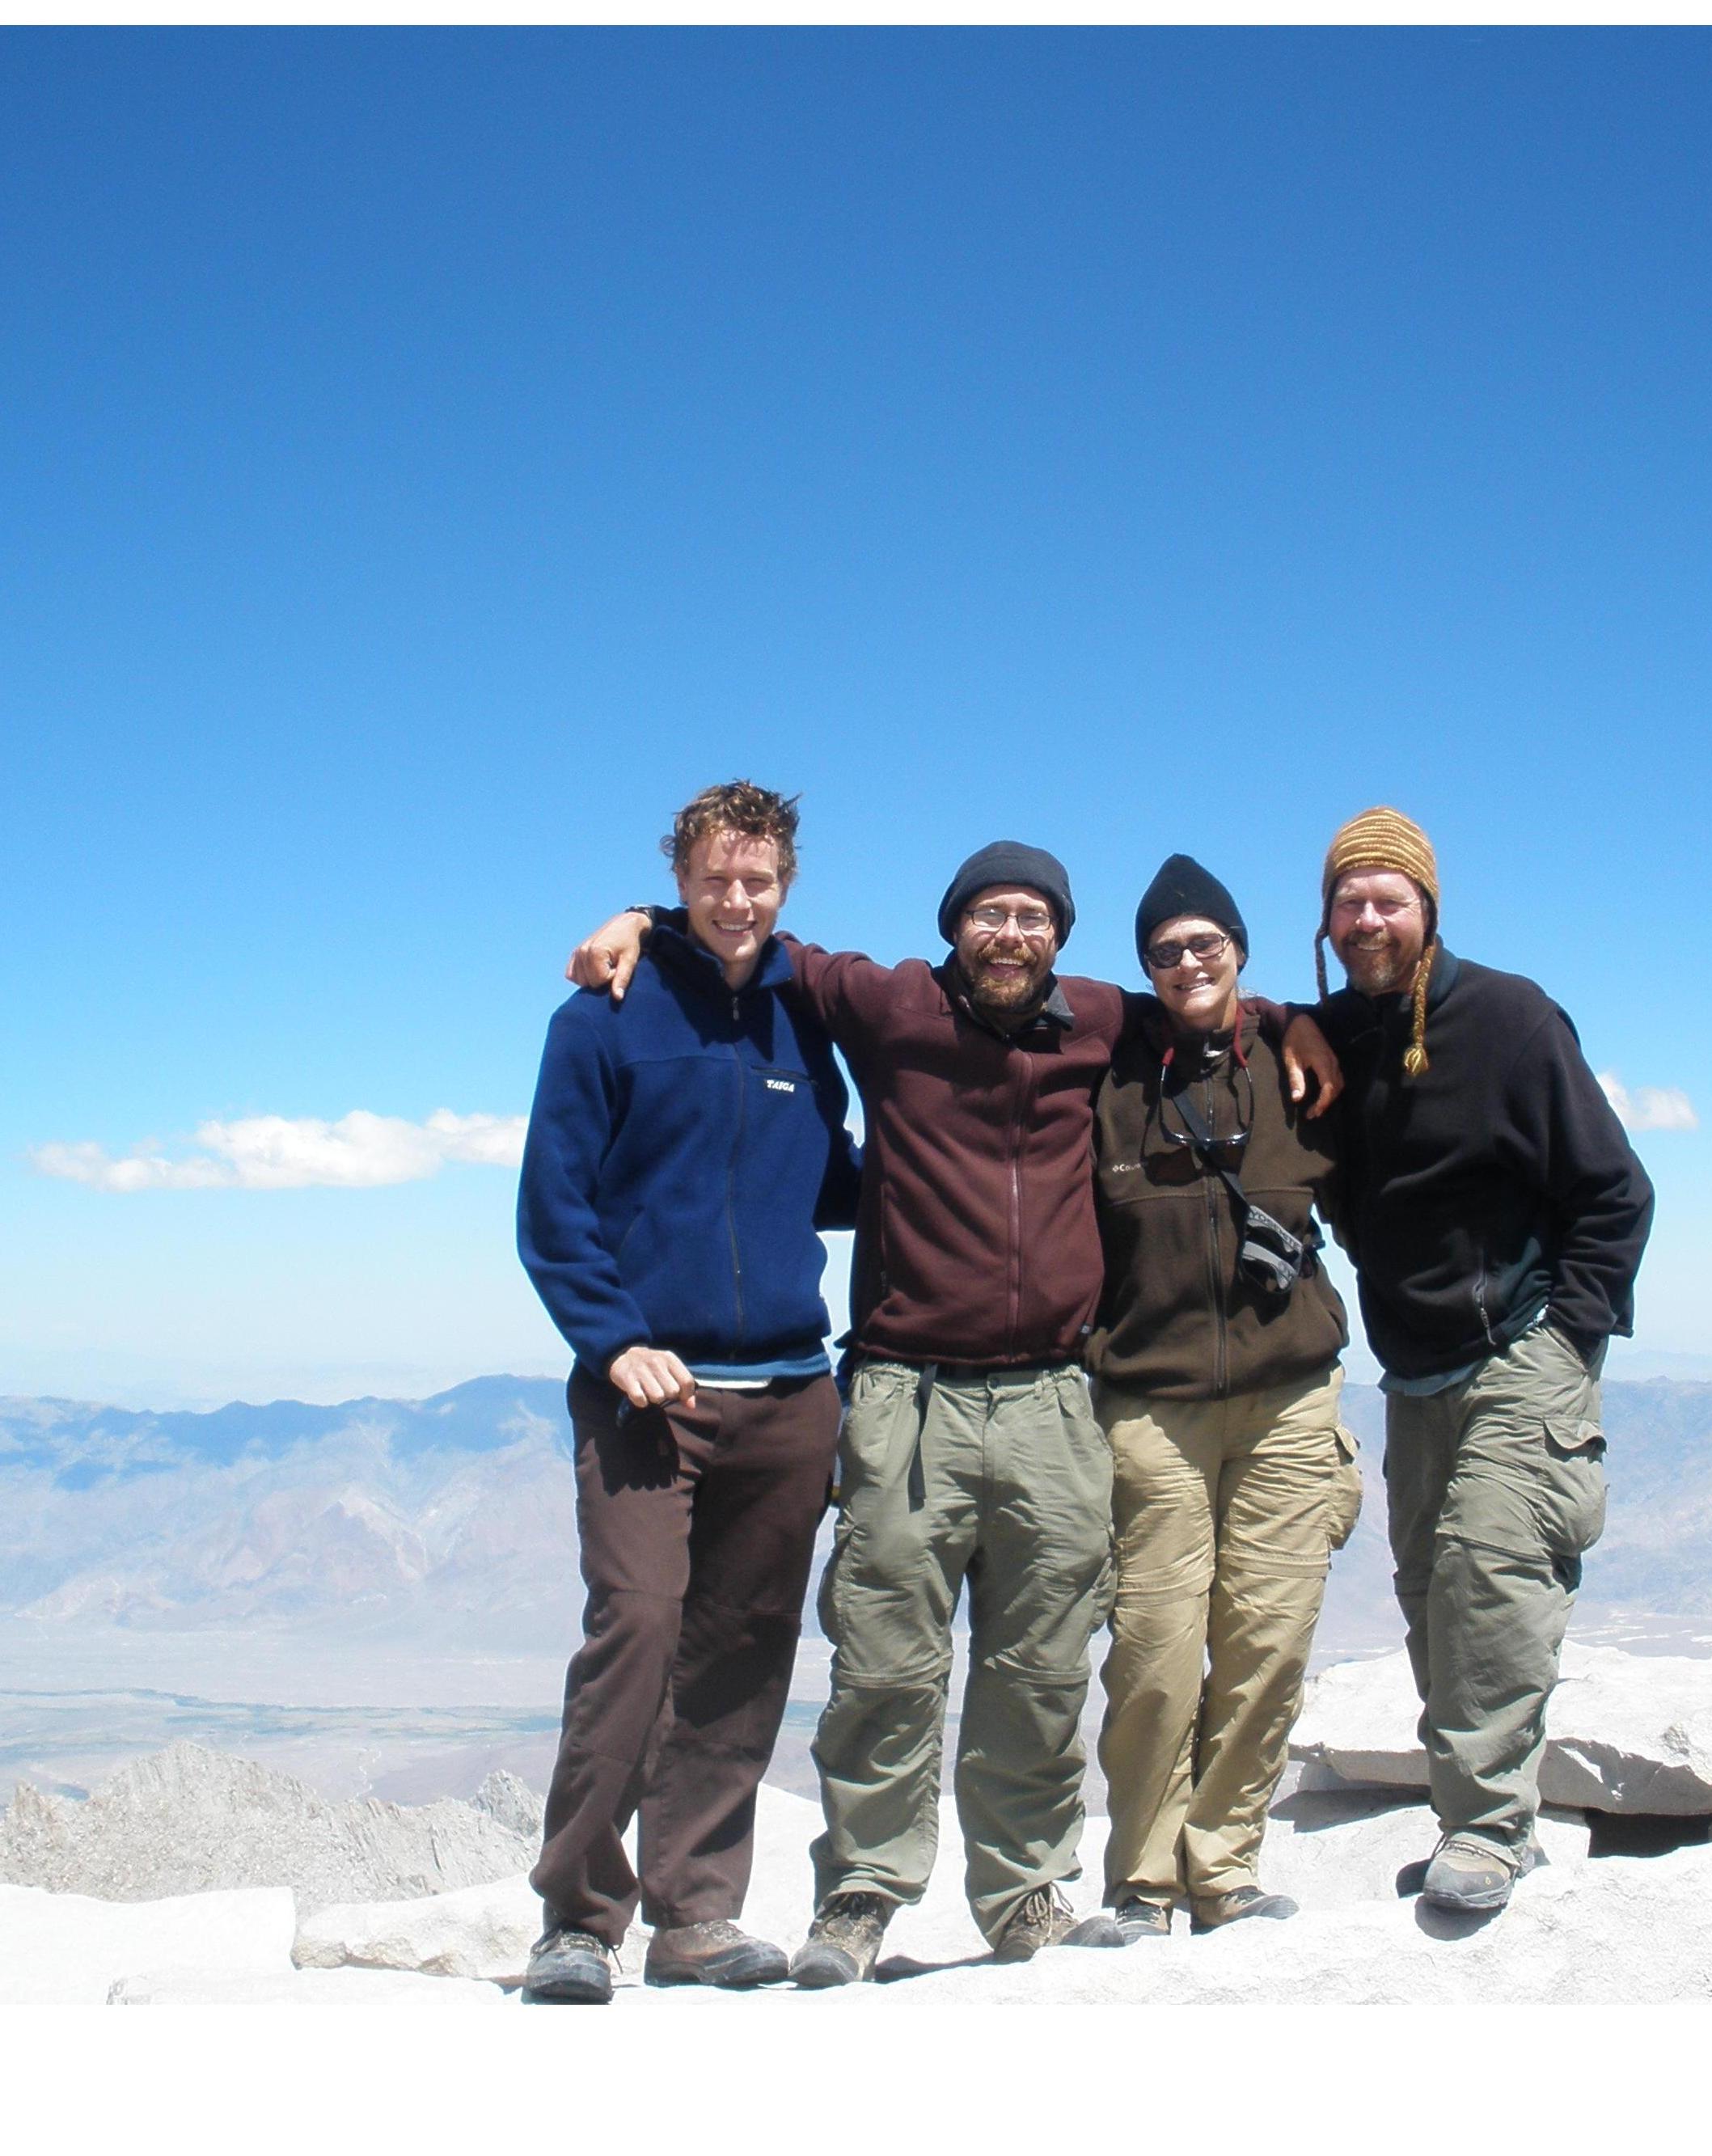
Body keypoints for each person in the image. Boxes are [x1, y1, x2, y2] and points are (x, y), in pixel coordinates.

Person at [564, 847, 1339, 1985]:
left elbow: (1200, 989)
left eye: (1032, 917)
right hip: (903, 1387)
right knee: (885, 1657)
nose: (1010, 934)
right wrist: (642, 916)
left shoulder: (1094, 1018)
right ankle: (861, 1896)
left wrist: (1288, 1021)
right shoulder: (887, 1003)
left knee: (1039, 1662)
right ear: (956, 928)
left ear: (1059, 938)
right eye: (989, 915)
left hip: (1049, 1392)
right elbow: (749, 939)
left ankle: (1024, 1893)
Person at [514, 783, 860, 2003]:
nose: (737, 898)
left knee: (743, 1648)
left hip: (786, 1390)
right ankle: (577, 1915)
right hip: (644, 1393)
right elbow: (552, 1209)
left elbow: (841, 1179)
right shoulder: (603, 1012)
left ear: (788, 882)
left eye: (759, 878)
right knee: (639, 1629)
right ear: (679, 873)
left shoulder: (799, 1020)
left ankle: (697, 1913)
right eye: (716, 877)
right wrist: (613, 1342)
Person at [1308, 807, 1654, 1917]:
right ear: (1324, 918)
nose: (1367, 917)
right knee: (1428, 1592)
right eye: (1347, 899)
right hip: (1412, 1373)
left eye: (1387, 898)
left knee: (1489, 1581)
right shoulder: (1330, 1036)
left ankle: (1487, 1832)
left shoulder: (1506, 1016)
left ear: (1426, 909)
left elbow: (1614, 1189)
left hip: (1518, 1351)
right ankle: (1484, 1813)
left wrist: (1569, 1336)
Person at [1089, 855, 1360, 1940]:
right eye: (1165, 949)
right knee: (1154, 1648)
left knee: (1266, 1639)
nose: (1187, 960)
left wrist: (1291, 1021)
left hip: (1290, 1394)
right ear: (1144, 967)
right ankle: (1140, 1880)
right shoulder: (1106, 1072)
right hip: (1149, 1402)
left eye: (1205, 942)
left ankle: (1226, 1868)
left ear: (1239, 950)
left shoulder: (1303, 1062)